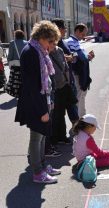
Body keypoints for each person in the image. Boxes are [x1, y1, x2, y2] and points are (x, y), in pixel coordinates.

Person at [15, 21, 61, 184]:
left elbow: (47, 80)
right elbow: (32, 86)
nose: (53, 46)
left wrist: (51, 101)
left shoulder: (39, 50)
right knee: (37, 138)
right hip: (36, 103)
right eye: (51, 41)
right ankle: (37, 172)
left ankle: (42, 165)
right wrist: (42, 110)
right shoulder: (31, 52)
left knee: (42, 137)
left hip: (43, 100)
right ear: (42, 37)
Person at [51, 18, 79, 130]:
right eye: (63, 28)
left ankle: (75, 128)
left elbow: (69, 55)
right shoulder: (55, 43)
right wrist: (69, 58)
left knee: (71, 105)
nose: (65, 30)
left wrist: (72, 56)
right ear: (58, 29)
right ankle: (76, 128)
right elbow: (56, 59)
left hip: (68, 79)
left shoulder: (62, 41)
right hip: (61, 82)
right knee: (69, 107)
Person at [49, 39, 77, 145]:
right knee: (55, 115)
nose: (53, 44)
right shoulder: (45, 53)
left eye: (54, 41)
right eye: (52, 41)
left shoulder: (59, 50)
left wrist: (68, 82)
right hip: (53, 89)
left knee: (61, 114)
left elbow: (66, 67)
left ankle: (62, 136)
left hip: (64, 86)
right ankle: (54, 138)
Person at [66, 23, 94, 117]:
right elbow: (76, 58)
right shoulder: (70, 42)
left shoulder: (77, 42)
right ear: (77, 31)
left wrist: (88, 57)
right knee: (79, 98)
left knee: (82, 97)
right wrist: (86, 57)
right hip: (77, 74)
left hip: (81, 74)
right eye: (83, 34)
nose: (84, 36)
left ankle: (82, 119)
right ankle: (79, 121)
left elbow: (81, 57)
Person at [5, 30, 27, 98]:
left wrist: (9, 63)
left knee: (15, 80)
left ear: (15, 36)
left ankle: (17, 92)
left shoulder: (12, 43)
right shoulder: (26, 43)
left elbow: (10, 55)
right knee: (24, 79)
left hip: (16, 65)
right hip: (25, 65)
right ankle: (25, 92)